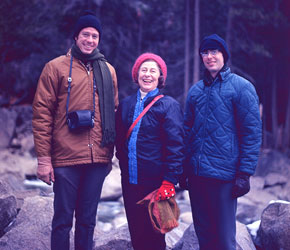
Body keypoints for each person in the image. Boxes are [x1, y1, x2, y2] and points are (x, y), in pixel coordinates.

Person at [32, 10, 118, 250]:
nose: (90, 40)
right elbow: (41, 115)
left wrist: (111, 154)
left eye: (94, 36)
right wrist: (43, 160)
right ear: (76, 36)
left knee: (88, 221)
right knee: (62, 221)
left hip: (98, 158)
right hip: (65, 158)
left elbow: (114, 111)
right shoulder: (55, 68)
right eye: (85, 34)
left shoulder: (108, 71)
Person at [182, 34, 262, 250]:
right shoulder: (196, 91)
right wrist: (182, 168)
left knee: (225, 240)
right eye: (205, 52)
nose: (210, 56)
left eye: (214, 52)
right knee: (204, 238)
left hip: (224, 177)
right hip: (196, 176)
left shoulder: (241, 87)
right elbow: (186, 131)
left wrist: (244, 174)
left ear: (224, 55)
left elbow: (252, 133)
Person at [115, 53, 184, 250]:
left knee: (155, 237)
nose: (148, 74)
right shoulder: (126, 104)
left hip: (157, 185)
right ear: (136, 75)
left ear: (160, 77)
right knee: (137, 235)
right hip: (130, 182)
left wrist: (169, 181)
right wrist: (124, 168)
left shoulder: (169, 105)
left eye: (153, 71)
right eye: (143, 70)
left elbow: (176, 146)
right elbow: (120, 142)